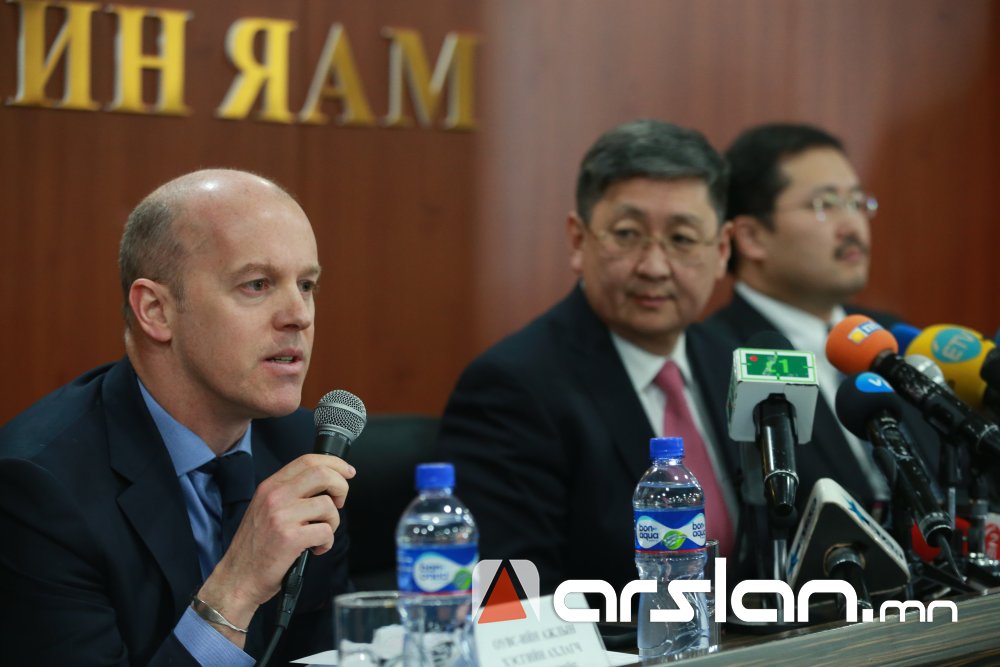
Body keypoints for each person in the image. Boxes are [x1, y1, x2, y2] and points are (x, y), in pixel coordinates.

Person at [0, 169, 353, 666]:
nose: (300, 315)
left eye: (307, 284)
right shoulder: (38, 488)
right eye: (257, 284)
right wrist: (237, 586)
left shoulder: (303, 445)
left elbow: (331, 652)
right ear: (155, 311)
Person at [435, 119, 748, 594]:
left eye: (682, 239)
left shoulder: (733, 362)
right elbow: (510, 596)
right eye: (627, 234)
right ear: (579, 240)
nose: (654, 266)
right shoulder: (512, 389)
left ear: (722, 250)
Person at [702, 122, 930, 514]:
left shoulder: (890, 335)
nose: (852, 225)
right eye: (824, 205)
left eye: (856, 202)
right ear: (751, 237)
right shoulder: (713, 358)